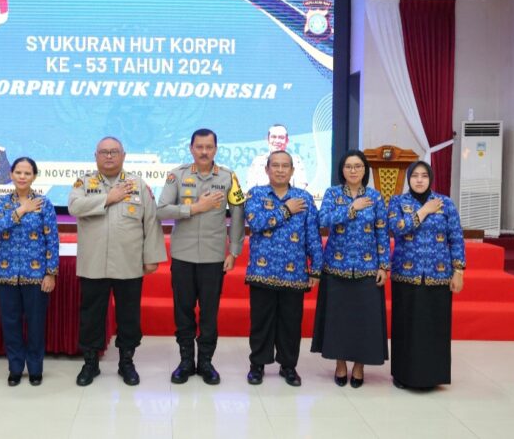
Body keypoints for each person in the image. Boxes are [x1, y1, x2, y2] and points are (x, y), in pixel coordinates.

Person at [68, 137, 166, 387]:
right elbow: (74, 207)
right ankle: (90, 363)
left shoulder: (138, 184)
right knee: (91, 315)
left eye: (114, 152)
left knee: (129, 315)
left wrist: (152, 256)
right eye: (104, 152)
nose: (109, 156)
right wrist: (107, 198)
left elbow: (151, 221)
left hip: (129, 262)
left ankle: (126, 361)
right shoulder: (84, 182)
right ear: (95, 155)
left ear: (124, 155)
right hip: (94, 263)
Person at [156, 129, 245, 385]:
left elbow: (237, 214)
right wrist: (195, 208)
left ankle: (205, 362)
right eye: (199, 147)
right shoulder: (177, 175)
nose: (204, 152)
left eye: (209, 147)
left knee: (209, 312)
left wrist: (234, 251)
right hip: (183, 255)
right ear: (191, 148)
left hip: (213, 257)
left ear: (216, 149)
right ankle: (186, 361)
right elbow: (161, 210)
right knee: (183, 311)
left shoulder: (229, 177)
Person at [311, 150, 389, 388]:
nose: (353, 170)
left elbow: (382, 232)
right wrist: (351, 209)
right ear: (342, 170)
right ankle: (340, 363)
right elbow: (322, 221)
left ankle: (359, 366)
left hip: (367, 268)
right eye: (348, 166)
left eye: (358, 166)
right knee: (339, 320)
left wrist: (383, 265)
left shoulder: (375, 197)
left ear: (365, 170)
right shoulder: (333, 193)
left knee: (363, 321)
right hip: (336, 266)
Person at [244, 150, 322, 386]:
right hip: (262, 272)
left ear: (292, 170)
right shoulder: (256, 195)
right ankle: (257, 365)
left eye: (284, 166)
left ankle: (288, 367)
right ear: (266, 169)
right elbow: (256, 223)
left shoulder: (305, 198)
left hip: (294, 273)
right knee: (261, 321)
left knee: (290, 323)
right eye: (275, 165)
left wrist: (316, 269)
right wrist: (286, 209)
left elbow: (313, 236)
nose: (280, 170)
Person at [388, 161, 465, 389]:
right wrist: (423, 212)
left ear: (430, 178)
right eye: (415, 176)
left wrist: (458, 270)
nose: (419, 180)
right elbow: (397, 228)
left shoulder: (445, 204)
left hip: (438, 275)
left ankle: (433, 376)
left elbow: (456, 238)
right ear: (409, 178)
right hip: (406, 275)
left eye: (424, 176)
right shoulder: (398, 202)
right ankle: (402, 375)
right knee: (406, 327)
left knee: (434, 326)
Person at [0, 157, 59, 387]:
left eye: (27, 173)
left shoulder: (44, 203)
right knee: (10, 323)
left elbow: (52, 239)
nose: (22, 177)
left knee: (36, 323)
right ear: (11, 175)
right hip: (6, 274)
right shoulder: (0, 203)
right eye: (18, 172)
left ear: (34, 176)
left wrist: (51, 273)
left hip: (36, 273)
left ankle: (36, 369)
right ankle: (15, 368)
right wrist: (21, 210)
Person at [246, 124, 308, 191]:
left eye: (281, 137)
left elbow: (300, 190)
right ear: (267, 139)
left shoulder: (296, 162)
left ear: (287, 140)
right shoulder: (258, 161)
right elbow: (251, 189)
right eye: (274, 137)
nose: (277, 141)